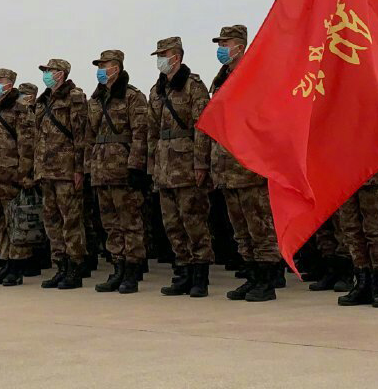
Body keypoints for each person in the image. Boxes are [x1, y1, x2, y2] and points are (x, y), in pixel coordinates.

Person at [209, 25, 281, 302]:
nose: (221, 48)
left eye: (225, 43)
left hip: (249, 167)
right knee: (240, 229)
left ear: (240, 45)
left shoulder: (256, 75)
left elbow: (267, 118)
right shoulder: (221, 79)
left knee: (260, 226)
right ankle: (252, 277)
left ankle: (267, 281)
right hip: (227, 167)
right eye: (220, 43)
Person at [148, 36, 214, 299]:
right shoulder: (157, 90)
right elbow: (152, 132)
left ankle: (200, 276)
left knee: (194, 220)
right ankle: (183, 271)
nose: (160, 60)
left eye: (163, 55)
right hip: (164, 168)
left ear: (177, 56)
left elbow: (202, 127)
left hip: (187, 166)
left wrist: (201, 163)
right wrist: (151, 166)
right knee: (172, 223)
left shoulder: (193, 86)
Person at [85, 51, 151, 295]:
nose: (101, 69)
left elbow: (140, 133)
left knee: (130, 223)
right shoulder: (96, 99)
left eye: (105, 65)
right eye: (99, 65)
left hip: (123, 170)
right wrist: (88, 168)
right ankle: (118, 267)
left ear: (117, 67)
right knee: (111, 224)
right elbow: (89, 136)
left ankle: (132, 270)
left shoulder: (132, 97)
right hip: (101, 171)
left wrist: (136, 166)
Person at [33, 59, 89, 290]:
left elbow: (80, 135)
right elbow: (38, 138)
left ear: (61, 74)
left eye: (50, 71)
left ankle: (75, 267)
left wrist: (79, 168)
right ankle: (60, 266)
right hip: (46, 170)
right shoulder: (43, 100)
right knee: (52, 221)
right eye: (45, 71)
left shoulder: (74, 97)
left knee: (71, 221)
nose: (46, 74)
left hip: (66, 170)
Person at [0, 68, 37, 287]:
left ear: (10, 84)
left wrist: (23, 175)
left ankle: (17, 266)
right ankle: (5, 262)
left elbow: (27, 145)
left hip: (11, 177)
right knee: (0, 224)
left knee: (16, 225)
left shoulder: (19, 110)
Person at [334, 161, 378, 309]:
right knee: (350, 228)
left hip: (373, 169)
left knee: (377, 229)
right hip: (345, 171)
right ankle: (362, 283)